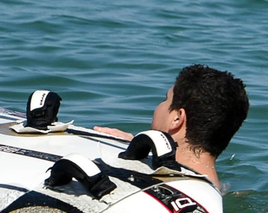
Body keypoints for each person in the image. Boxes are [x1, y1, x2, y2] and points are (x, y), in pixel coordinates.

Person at [92, 64, 249, 187]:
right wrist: (135, 148)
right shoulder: (219, 190)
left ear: (177, 118)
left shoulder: (160, 188)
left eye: (164, 99)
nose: (158, 106)